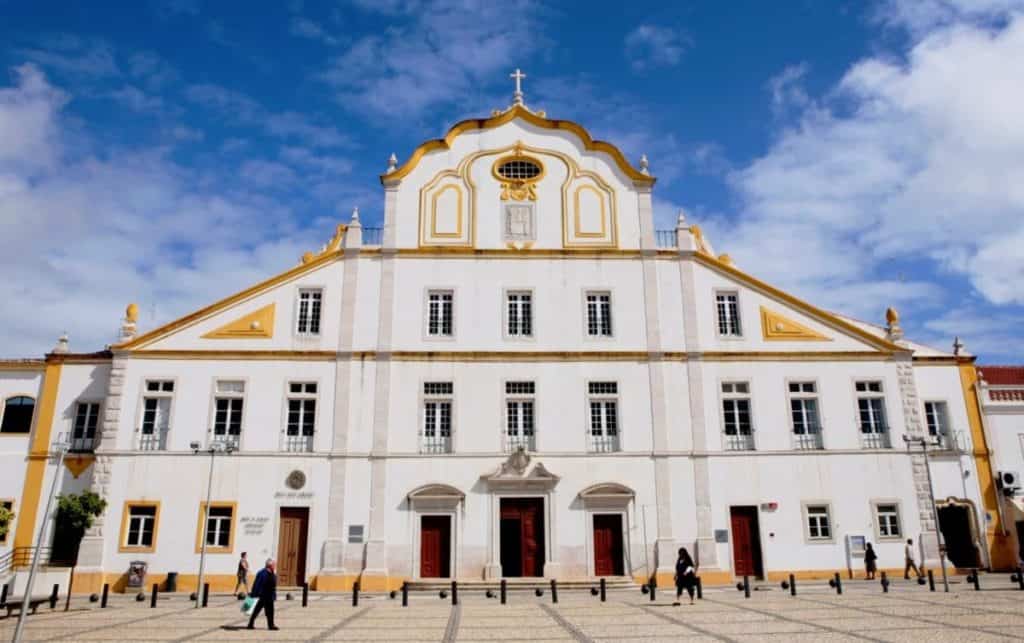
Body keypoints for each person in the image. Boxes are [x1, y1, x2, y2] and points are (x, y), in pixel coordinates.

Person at [247, 558, 278, 631]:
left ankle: (271, 625)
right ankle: (250, 623)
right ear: (270, 565)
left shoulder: (272, 572)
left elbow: (273, 585)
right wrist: (254, 594)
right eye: (274, 565)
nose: (275, 566)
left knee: (270, 611)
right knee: (256, 610)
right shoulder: (262, 573)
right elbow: (256, 584)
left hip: (270, 595)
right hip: (262, 595)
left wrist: (274, 595)